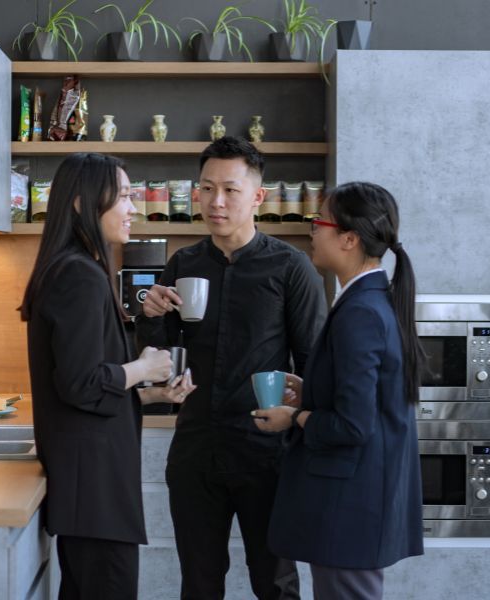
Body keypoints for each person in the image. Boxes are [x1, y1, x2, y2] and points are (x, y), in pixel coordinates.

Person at [135, 136, 327, 599]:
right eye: (206, 188)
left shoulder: (290, 267)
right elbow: (160, 363)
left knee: (276, 583)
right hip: (196, 450)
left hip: (267, 452)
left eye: (230, 189)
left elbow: (317, 366)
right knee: (199, 584)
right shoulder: (183, 262)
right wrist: (151, 316)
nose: (215, 201)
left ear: (258, 196)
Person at [20, 152, 196, 599]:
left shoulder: (75, 268)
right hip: (94, 491)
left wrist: (150, 391)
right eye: (122, 197)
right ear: (81, 202)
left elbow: (81, 389)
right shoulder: (79, 275)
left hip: (92, 490)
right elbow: (80, 384)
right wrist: (144, 367)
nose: (133, 207)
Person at [253, 181, 425, 600]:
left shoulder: (360, 312)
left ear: (348, 239)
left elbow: (353, 425)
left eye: (319, 222)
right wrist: (311, 390)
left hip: (349, 506)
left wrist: (293, 417)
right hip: (358, 503)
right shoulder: (371, 301)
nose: (312, 230)